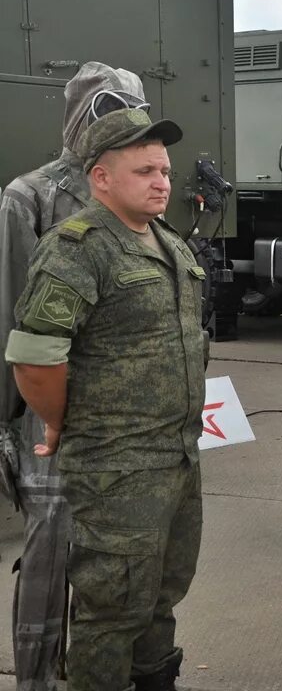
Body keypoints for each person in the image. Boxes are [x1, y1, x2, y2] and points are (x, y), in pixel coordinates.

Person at [4, 107, 204, 691]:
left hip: (177, 458)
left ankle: (154, 678)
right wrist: (60, 423)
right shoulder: (78, 247)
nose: (162, 182)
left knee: (162, 593)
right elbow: (35, 357)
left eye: (164, 170)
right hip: (116, 466)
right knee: (112, 609)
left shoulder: (167, 242)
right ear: (101, 178)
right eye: (145, 171)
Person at [0, 62, 146, 691]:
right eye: (109, 108)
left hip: (130, 409)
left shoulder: (137, 188)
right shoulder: (29, 197)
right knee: (52, 543)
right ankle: (37, 678)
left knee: (125, 548)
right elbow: (12, 314)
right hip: (52, 404)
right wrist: (9, 418)